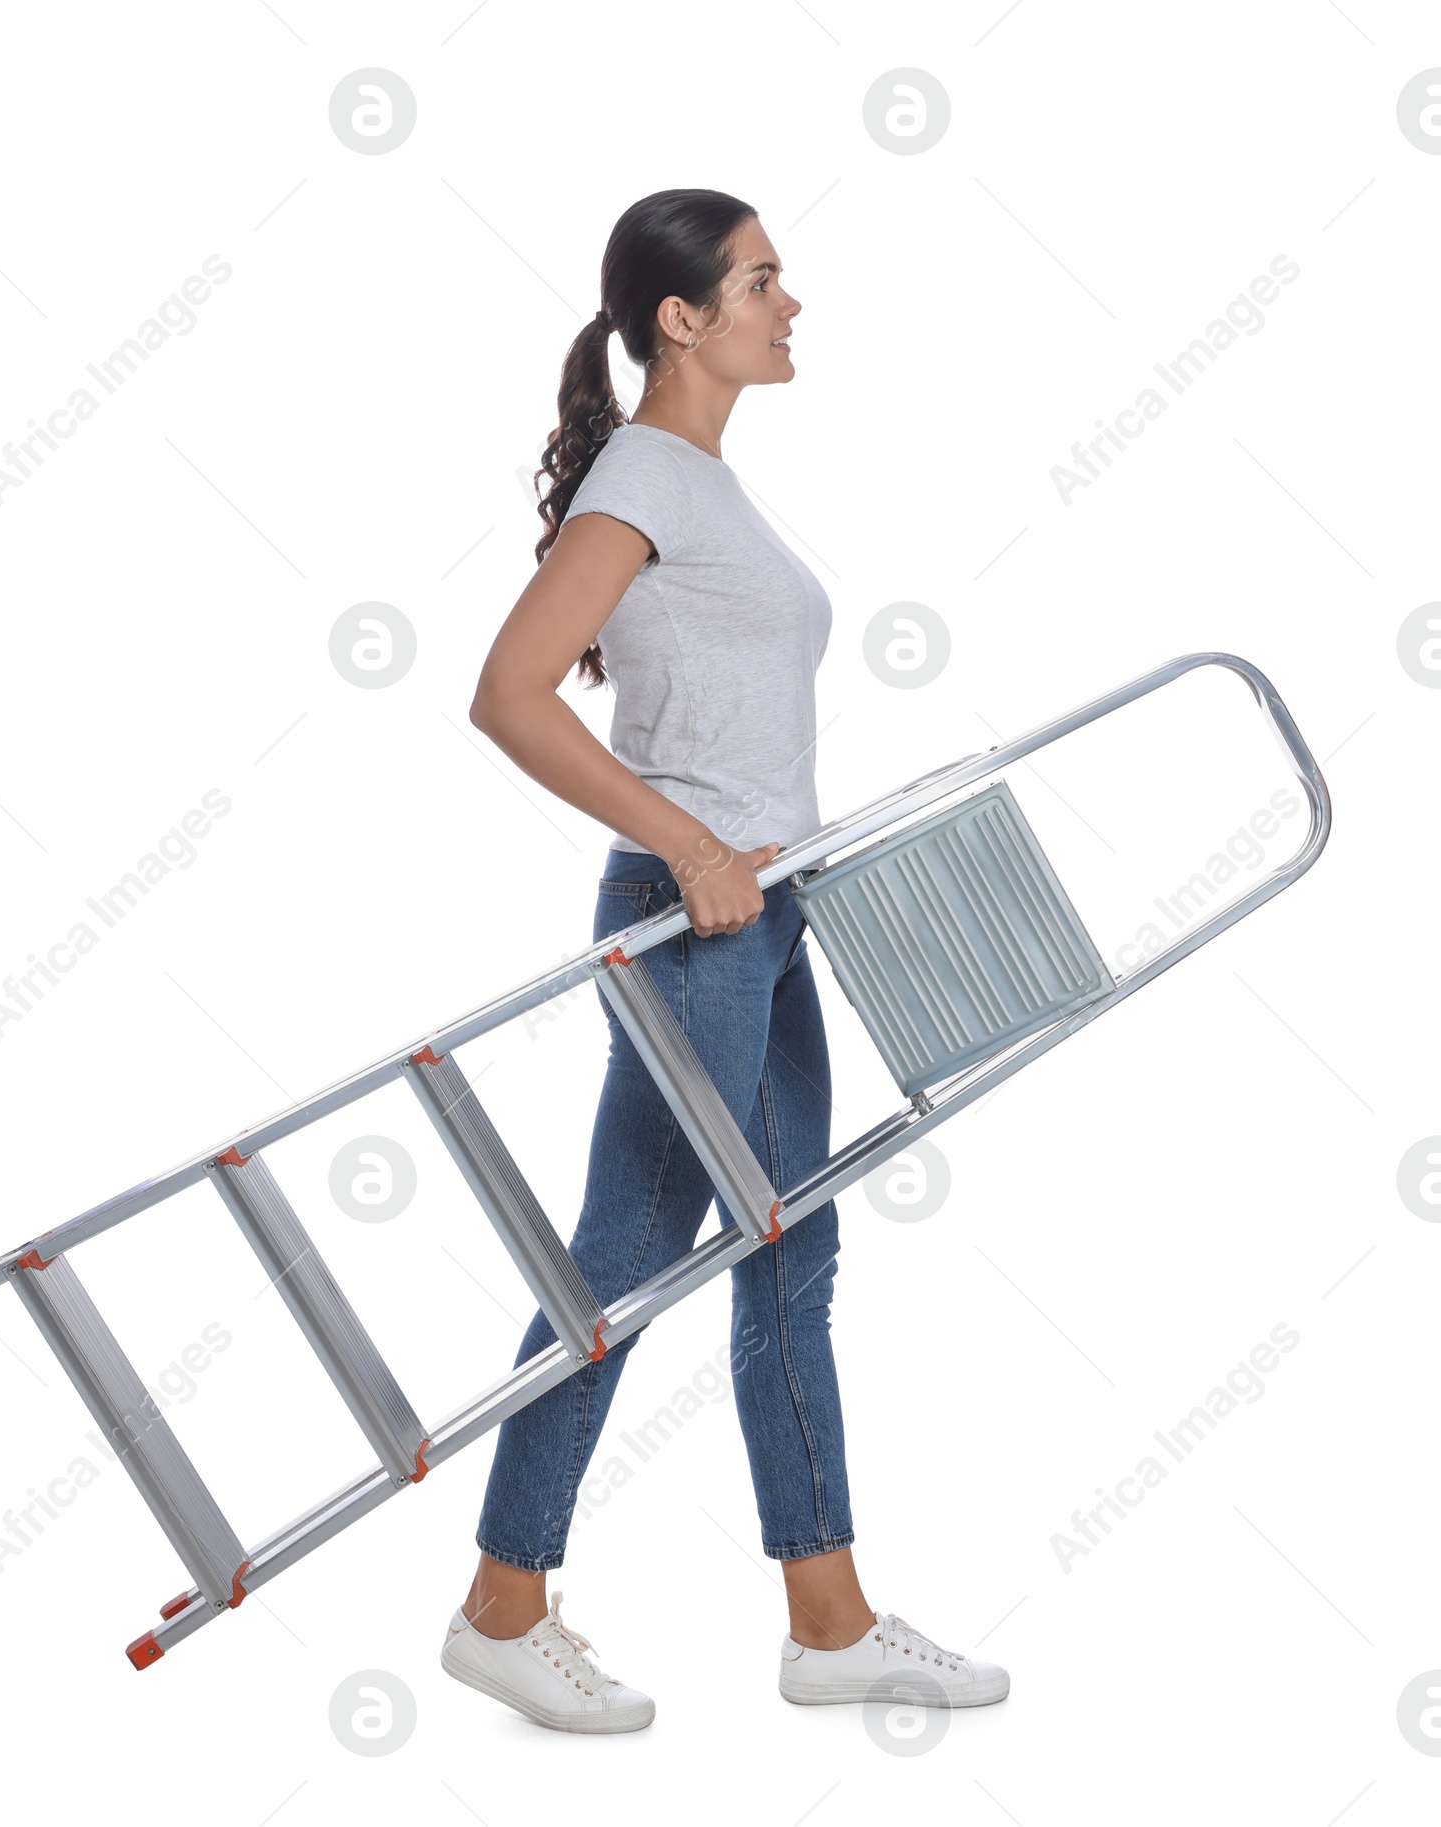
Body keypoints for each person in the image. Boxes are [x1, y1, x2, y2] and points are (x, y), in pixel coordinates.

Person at [439, 188, 1009, 1732]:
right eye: (762, 280)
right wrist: (690, 847)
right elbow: (509, 691)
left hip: (761, 912)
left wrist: (742, 857)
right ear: (680, 319)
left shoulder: (699, 479)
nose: (791, 302)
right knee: (637, 1266)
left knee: (773, 1259)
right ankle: (510, 1602)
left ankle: (818, 1627)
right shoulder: (647, 477)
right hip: (692, 919)